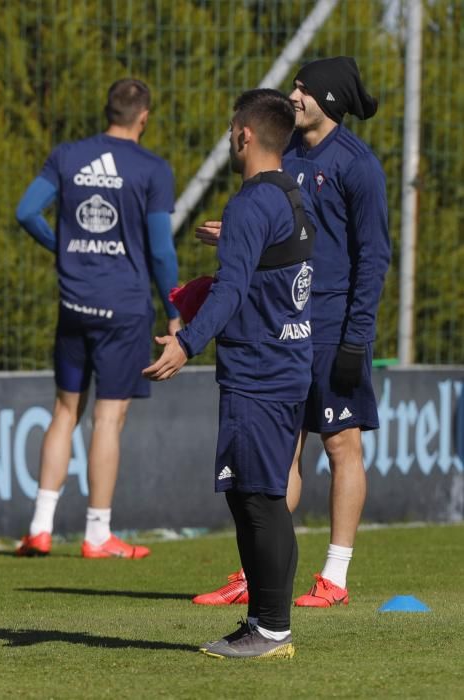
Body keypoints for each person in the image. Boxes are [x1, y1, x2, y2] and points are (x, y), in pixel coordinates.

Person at [192, 57, 389, 608]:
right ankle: (257, 572)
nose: (294, 96)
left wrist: (356, 338)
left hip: (334, 332)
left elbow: (374, 258)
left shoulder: (358, 166)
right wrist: (236, 235)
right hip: (286, 330)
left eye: (304, 89)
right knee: (283, 452)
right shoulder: (288, 154)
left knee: (341, 443)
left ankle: (336, 575)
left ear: (328, 100)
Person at [144, 88, 315, 658]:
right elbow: (271, 266)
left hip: (258, 372)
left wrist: (185, 343)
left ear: (243, 135)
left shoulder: (249, 204)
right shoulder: (288, 194)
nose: (229, 135)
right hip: (288, 365)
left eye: (230, 127)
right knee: (254, 496)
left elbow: (233, 290)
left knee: (258, 499)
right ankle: (263, 623)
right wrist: (237, 240)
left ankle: (271, 629)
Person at [14, 78, 180, 559]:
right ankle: (97, 533)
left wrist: (62, 246)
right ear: (143, 117)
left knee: (65, 411)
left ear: (107, 110)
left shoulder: (67, 155)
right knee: (109, 417)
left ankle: (40, 528)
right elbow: (162, 250)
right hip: (124, 309)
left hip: (74, 305)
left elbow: (27, 212)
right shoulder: (151, 168)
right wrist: (174, 311)